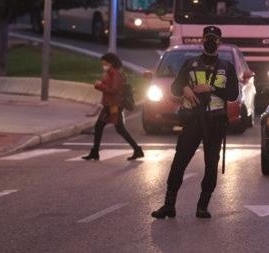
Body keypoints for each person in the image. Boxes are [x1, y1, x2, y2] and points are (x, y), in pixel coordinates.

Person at [151, 26, 239, 219]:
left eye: (214, 39)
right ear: (202, 40)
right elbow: (174, 87)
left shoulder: (226, 67)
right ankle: (169, 205)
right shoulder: (190, 63)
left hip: (214, 122)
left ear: (220, 42)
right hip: (192, 121)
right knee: (179, 162)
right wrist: (185, 89)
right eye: (207, 38)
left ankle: (202, 206)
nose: (210, 41)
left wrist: (212, 88)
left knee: (210, 164)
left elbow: (233, 94)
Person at [82, 53, 144, 161]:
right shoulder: (110, 73)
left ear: (111, 63)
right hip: (109, 105)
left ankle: (137, 149)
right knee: (105, 127)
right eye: (103, 63)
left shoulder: (115, 74)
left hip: (113, 105)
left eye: (105, 63)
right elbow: (110, 86)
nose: (103, 65)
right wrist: (102, 84)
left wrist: (100, 85)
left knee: (115, 128)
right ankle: (95, 152)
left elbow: (114, 90)